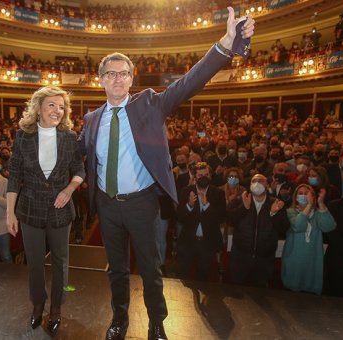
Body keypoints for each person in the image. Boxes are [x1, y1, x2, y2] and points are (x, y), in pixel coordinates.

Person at [79, 8, 255, 340]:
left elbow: (190, 82)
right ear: (100, 79)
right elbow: (76, 155)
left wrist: (227, 42)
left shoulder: (150, 104)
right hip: (107, 206)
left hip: (142, 204)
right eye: (110, 73)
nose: (117, 79)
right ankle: (119, 319)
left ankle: (157, 321)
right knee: (116, 269)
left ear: (132, 78)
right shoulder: (91, 120)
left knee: (150, 268)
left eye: (123, 73)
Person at [6, 86, 85, 337]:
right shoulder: (22, 136)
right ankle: (38, 304)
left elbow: (80, 171)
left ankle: (57, 308)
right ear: (38, 107)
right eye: (52, 105)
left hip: (61, 210)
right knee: (35, 263)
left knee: (61, 262)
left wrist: (70, 189)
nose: (58, 110)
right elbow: (14, 175)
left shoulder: (70, 137)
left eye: (62, 107)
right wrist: (10, 213)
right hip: (29, 209)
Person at [227, 174, 289, 287]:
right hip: (240, 257)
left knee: (259, 293)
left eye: (260, 181)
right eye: (254, 181)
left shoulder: (275, 203)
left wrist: (273, 213)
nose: (257, 183)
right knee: (238, 292)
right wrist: (244, 208)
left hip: (264, 259)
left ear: (267, 185)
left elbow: (284, 228)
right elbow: (230, 221)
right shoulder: (240, 200)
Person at [175, 162, 226, 281]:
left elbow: (221, 218)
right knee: (183, 275)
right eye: (200, 175)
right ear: (194, 177)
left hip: (208, 242)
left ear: (210, 175)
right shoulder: (186, 191)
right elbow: (179, 216)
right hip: (188, 241)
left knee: (204, 275)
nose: (203, 177)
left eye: (206, 174)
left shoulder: (218, 193)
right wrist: (189, 205)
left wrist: (207, 205)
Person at [282, 184, 336, 294]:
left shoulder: (318, 213)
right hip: (294, 257)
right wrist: (309, 206)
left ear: (312, 196)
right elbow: (298, 226)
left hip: (313, 258)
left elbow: (329, 227)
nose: (303, 196)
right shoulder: (290, 212)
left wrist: (320, 203)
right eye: (300, 193)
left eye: (306, 193)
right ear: (295, 197)